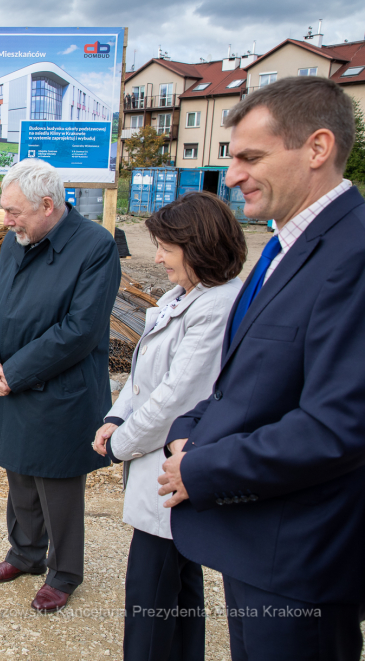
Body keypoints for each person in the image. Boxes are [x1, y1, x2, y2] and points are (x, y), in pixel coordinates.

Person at [157, 76, 365, 660]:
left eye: (251, 157)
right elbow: (247, 382)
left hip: (302, 556)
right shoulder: (285, 247)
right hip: (261, 544)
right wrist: (185, 432)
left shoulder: (353, 255)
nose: (232, 175)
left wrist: (200, 469)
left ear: (317, 149)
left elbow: (337, 426)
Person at [94, 192, 245, 660]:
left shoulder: (217, 307)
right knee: (178, 590)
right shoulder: (181, 295)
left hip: (169, 467)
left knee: (152, 598)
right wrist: (115, 415)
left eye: (164, 246)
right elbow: (144, 377)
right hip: (158, 466)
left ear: (196, 245)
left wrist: (120, 443)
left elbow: (175, 396)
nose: (156, 257)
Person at [0, 158, 121, 613]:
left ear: (46, 204)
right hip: (8, 379)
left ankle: (64, 572)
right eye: (5, 210)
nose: (6, 219)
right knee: (18, 472)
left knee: (56, 481)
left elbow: (80, 330)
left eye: (13, 211)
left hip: (61, 388)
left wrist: (14, 372)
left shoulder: (95, 246)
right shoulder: (17, 241)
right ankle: (24, 555)